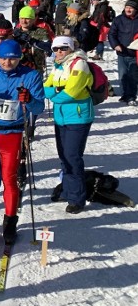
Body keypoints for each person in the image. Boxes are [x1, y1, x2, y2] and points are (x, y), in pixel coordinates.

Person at [0, 40, 44, 243]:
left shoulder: (30, 76)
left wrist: (29, 99)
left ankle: (10, 221)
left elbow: (38, 109)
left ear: (19, 57)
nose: (7, 61)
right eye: (4, 57)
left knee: (8, 178)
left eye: (12, 58)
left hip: (11, 134)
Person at [44, 36, 94, 213]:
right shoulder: (59, 65)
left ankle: (77, 198)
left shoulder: (79, 64)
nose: (59, 52)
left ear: (71, 48)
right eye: (55, 49)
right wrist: (56, 90)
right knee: (64, 156)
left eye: (63, 48)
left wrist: (54, 93)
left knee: (72, 157)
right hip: (61, 117)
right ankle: (67, 190)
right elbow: (46, 87)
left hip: (78, 118)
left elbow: (71, 93)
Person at [107, 0, 138, 104]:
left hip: (135, 54)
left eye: (131, 8)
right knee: (123, 75)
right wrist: (115, 45)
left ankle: (131, 97)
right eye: (127, 7)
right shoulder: (118, 19)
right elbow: (111, 34)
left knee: (133, 76)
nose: (128, 10)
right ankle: (126, 94)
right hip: (122, 53)